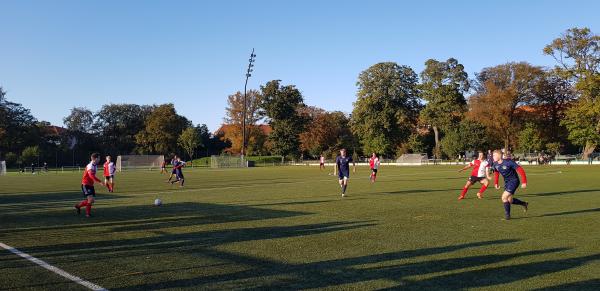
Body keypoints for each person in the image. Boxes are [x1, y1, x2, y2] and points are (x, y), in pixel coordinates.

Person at [487, 149, 529, 220]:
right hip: (507, 182)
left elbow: (520, 170)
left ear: (499, 155)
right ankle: (524, 203)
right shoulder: (495, 164)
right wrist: (496, 183)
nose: (492, 157)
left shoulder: (509, 162)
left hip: (514, 181)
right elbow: (496, 172)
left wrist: (524, 182)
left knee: (504, 197)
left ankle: (507, 216)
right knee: (510, 200)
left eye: (494, 155)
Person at [75, 153, 105, 217]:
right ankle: (87, 214)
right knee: (90, 200)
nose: (99, 159)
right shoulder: (90, 165)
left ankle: (78, 206)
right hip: (85, 184)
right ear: (95, 158)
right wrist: (100, 182)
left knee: (92, 201)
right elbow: (91, 176)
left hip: (91, 185)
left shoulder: (95, 166)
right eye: (99, 158)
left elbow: (92, 176)